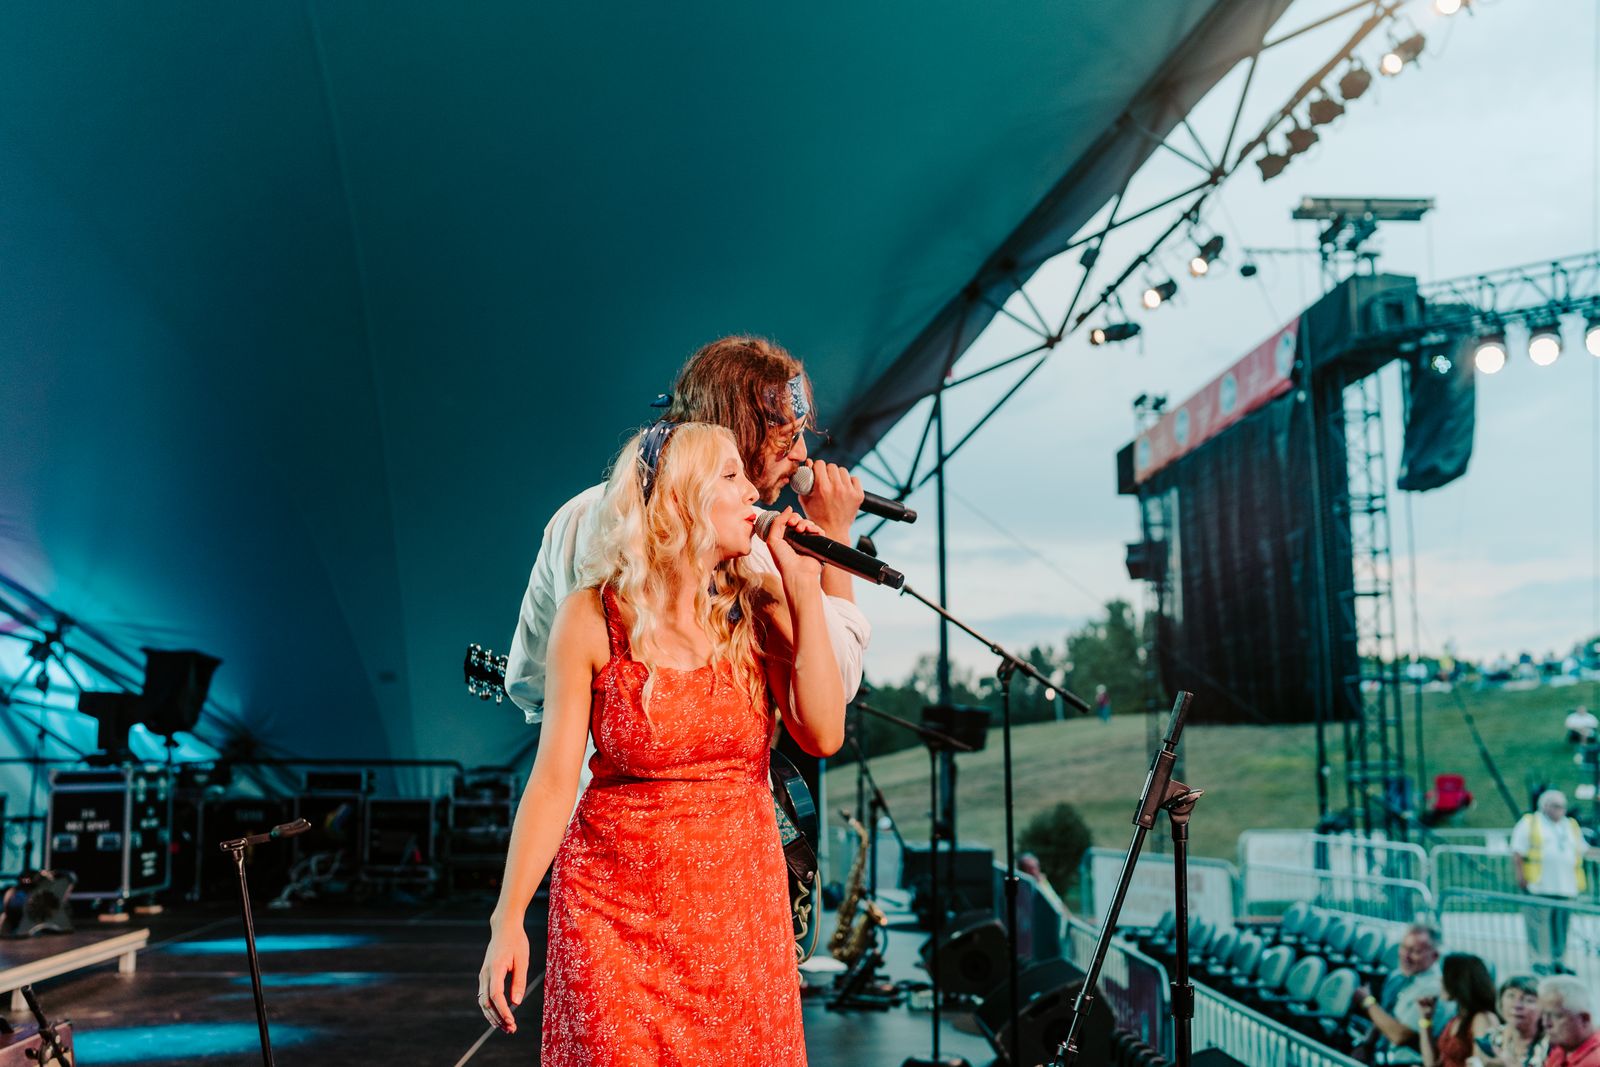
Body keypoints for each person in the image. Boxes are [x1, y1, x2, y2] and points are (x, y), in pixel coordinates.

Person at [477, 422, 845, 1063]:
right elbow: (555, 781)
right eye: (730, 476)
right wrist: (507, 918)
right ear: (680, 500)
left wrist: (804, 590)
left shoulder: (758, 606)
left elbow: (823, 733)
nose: (752, 491)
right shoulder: (591, 617)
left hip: (740, 922)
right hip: (614, 918)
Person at [504, 336, 869, 728]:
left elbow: (528, 684)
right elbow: (839, 682)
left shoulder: (574, 516)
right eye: (786, 439)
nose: (801, 454)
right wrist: (835, 530)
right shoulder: (753, 546)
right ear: (738, 437)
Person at [1512, 790, 1588, 974]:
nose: (1560, 810)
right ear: (1545, 806)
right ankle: (1540, 960)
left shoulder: (1570, 825)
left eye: (1563, 806)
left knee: (1561, 927)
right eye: (1556, 806)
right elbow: (1517, 851)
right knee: (1539, 927)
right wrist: (1521, 876)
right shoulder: (1530, 822)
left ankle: (1558, 960)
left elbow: (1583, 849)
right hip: (1539, 885)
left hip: (1566, 886)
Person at [1353, 922, 1449, 1064]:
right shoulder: (1397, 976)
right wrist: (1366, 1044)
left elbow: (1399, 1035)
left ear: (1434, 956)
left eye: (1415, 951)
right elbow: (1384, 1015)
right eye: (1403, 947)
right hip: (1380, 1056)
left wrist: (1368, 1002)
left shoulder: (1433, 989)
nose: (1406, 956)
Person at [1417, 954, 1501, 1067]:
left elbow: (1481, 1063)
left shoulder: (1482, 1018)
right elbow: (1431, 1064)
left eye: (1444, 976)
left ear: (1459, 981)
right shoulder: (1456, 1019)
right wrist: (1425, 1019)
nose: (1440, 980)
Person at [1481, 975, 1548, 1067]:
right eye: (1511, 996)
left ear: (1544, 1007)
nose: (1517, 1005)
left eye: (1529, 1000)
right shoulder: (1492, 1038)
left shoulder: (1551, 1044)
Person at [1537, 975, 1600, 1066]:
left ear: (1584, 1019)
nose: (1545, 1023)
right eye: (1543, 1015)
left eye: (1556, 1016)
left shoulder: (1595, 1060)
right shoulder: (1562, 1051)